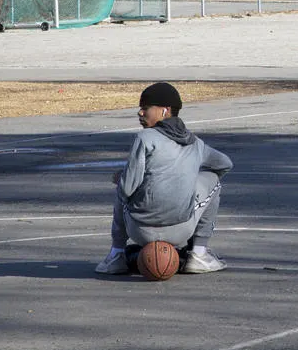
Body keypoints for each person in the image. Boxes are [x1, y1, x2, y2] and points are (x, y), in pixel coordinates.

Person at [96, 82, 233, 275]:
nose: (140, 113)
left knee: (121, 183)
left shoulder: (145, 138)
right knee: (212, 179)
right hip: (181, 230)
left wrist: (123, 177)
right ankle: (199, 254)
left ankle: (116, 255)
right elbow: (225, 164)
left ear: (165, 110)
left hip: (140, 230)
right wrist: (187, 178)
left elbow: (127, 189)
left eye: (145, 108)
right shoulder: (196, 144)